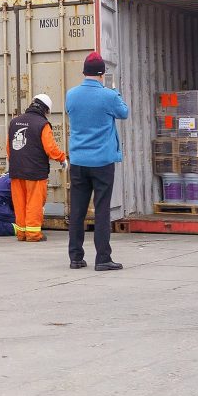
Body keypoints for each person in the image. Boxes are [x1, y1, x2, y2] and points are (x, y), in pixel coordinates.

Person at [65, 52, 129, 271]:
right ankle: (102, 258)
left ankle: (75, 257)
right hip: (102, 162)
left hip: (78, 161)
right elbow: (124, 113)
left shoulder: (71, 95)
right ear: (102, 74)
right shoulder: (108, 96)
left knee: (78, 210)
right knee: (102, 210)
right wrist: (113, 91)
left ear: (84, 72)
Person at [7, 94, 67, 242]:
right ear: (45, 109)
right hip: (35, 171)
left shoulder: (14, 122)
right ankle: (33, 234)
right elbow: (50, 148)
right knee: (34, 203)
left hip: (16, 171)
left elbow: (9, 149)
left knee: (19, 203)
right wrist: (62, 158)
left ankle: (21, 233)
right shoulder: (42, 124)